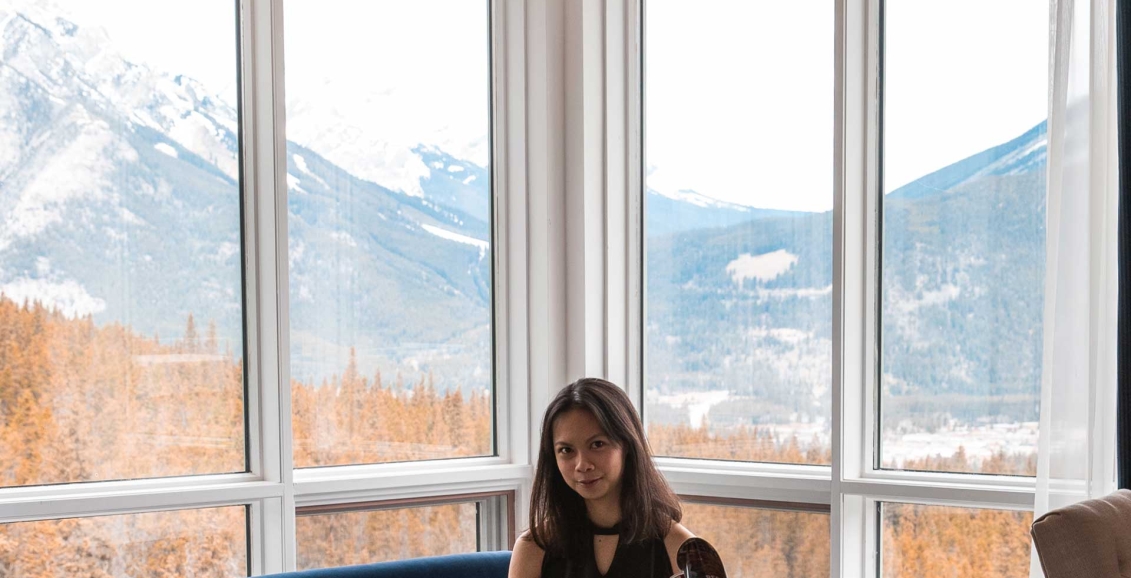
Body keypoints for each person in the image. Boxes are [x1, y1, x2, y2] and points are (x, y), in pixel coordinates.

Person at [508, 377, 702, 578]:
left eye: (597, 444)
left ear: (626, 445)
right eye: (566, 450)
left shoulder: (680, 548)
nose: (582, 465)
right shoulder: (533, 549)